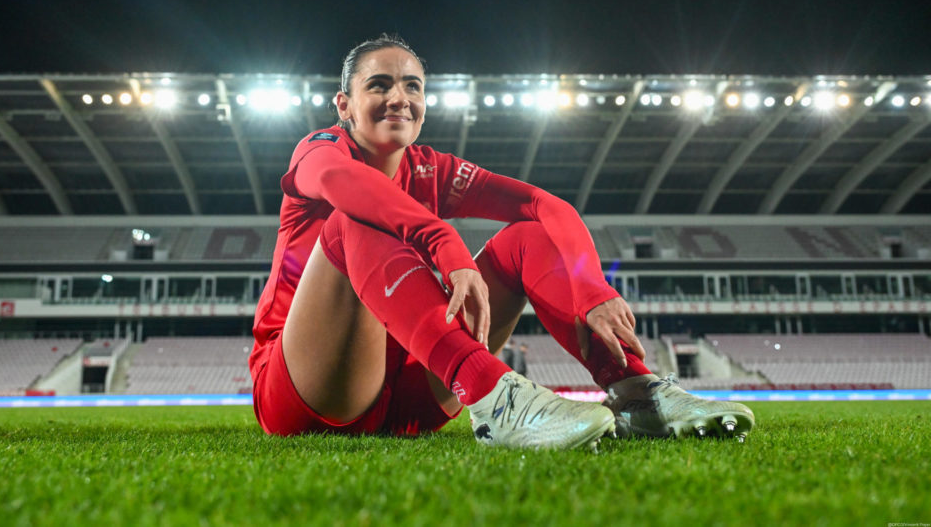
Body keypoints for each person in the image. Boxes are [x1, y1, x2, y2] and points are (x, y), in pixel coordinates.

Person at [248, 34, 754, 448]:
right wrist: (442, 238)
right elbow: (341, 185)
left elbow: (547, 206)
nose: (399, 98)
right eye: (379, 85)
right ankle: (494, 396)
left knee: (527, 237)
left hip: (414, 392)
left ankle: (638, 394)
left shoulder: (430, 168)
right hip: (310, 393)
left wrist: (591, 288)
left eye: (412, 86)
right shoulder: (320, 151)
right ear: (344, 105)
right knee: (352, 220)